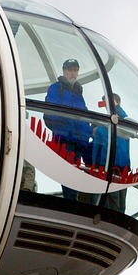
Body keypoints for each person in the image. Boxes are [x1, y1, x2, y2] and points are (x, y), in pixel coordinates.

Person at [44, 58, 91, 200]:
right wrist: (69, 125)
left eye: (75, 70)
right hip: (66, 139)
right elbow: (51, 112)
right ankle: (71, 202)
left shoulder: (78, 92)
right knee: (69, 175)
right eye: (70, 70)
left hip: (81, 140)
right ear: (64, 71)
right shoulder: (55, 88)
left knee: (88, 171)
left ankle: (80, 200)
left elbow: (85, 115)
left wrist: (89, 131)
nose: (73, 73)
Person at [91, 94, 130, 213]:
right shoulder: (102, 128)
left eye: (109, 102)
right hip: (107, 167)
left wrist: (116, 106)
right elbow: (96, 150)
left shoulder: (124, 125)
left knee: (121, 202)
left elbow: (124, 117)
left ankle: (118, 220)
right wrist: (96, 167)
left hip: (123, 168)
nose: (107, 105)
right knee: (112, 200)